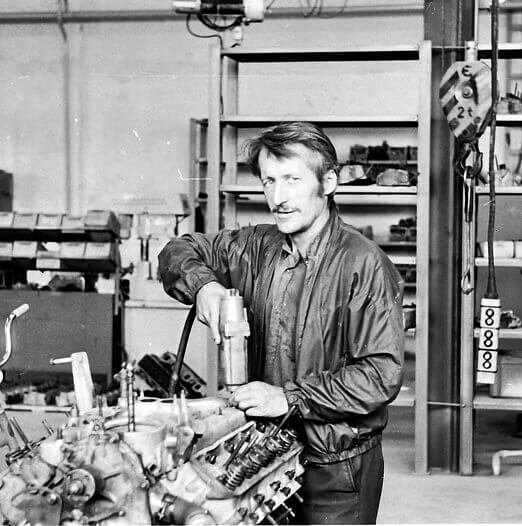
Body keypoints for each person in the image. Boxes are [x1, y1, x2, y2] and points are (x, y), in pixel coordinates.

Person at [158, 121, 404, 525]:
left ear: (328, 182)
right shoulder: (254, 247)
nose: (278, 197)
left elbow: (380, 375)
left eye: (292, 179)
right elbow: (179, 250)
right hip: (259, 457)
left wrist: (287, 397)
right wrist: (204, 287)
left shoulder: (363, 264)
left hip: (333, 471)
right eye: (269, 181)